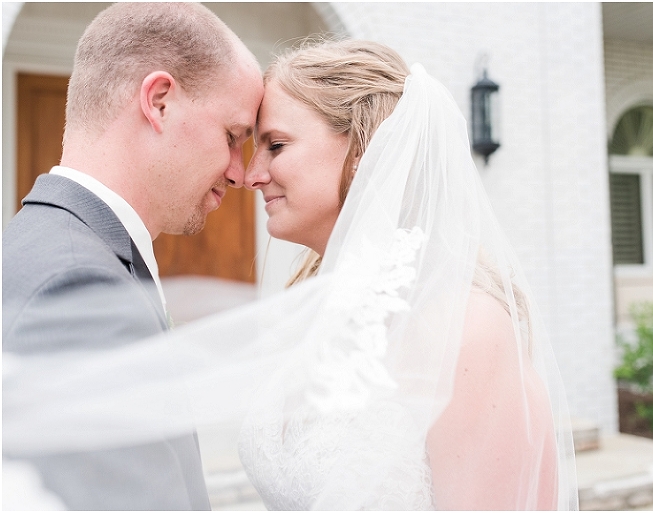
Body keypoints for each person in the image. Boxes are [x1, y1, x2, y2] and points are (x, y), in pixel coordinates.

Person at [233, 39, 579, 509]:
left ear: (362, 148)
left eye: (275, 145)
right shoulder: (322, 305)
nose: (252, 175)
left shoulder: (465, 327)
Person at [2, 2, 262, 510]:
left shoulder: (47, 242)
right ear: (159, 101)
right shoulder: (79, 286)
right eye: (232, 137)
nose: (237, 172)